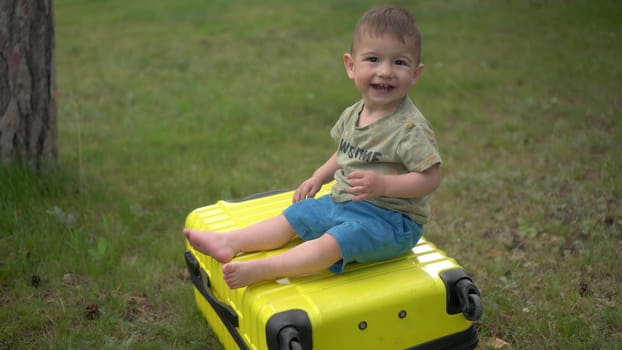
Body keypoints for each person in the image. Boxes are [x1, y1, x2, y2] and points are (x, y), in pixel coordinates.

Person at [184, 5, 441, 289]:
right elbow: (345, 153)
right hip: (346, 202)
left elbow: (430, 178)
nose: (385, 71)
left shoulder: (409, 128)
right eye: (373, 59)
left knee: (334, 242)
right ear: (351, 66)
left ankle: (265, 269)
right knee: (297, 215)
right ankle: (229, 241)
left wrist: (383, 185)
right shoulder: (353, 113)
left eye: (399, 63)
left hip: (391, 222)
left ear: (415, 74)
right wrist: (319, 177)